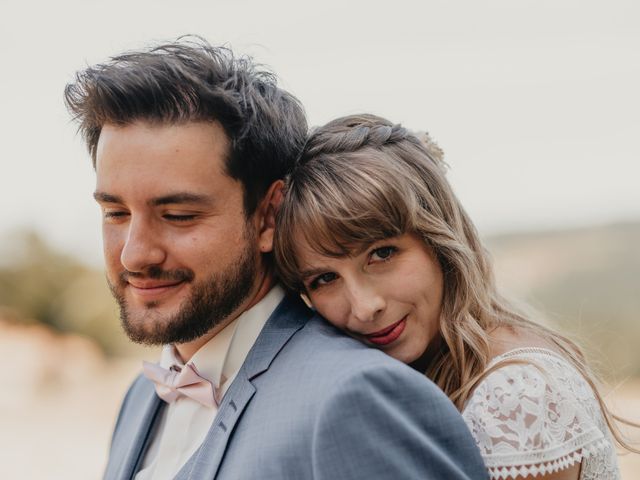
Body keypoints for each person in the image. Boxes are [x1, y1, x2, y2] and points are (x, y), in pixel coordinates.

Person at [64, 40, 488, 480]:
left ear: (268, 215)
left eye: (178, 215)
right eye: (116, 213)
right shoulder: (140, 399)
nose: (135, 253)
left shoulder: (355, 399)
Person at [274, 114, 634, 480]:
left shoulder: (512, 394)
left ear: (439, 242)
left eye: (382, 254)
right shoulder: (423, 372)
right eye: (325, 278)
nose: (366, 307)